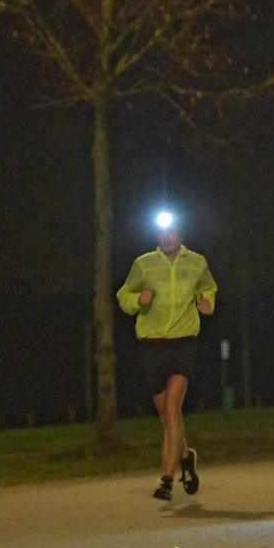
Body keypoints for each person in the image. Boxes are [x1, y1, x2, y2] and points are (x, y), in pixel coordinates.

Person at [117, 214, 217, 501]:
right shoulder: (144, 264)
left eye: (171, 232)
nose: (166, 237)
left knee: (173, 408)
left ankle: (166, 480)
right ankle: (186, 459)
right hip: (151, 346)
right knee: (166, 416)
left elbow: (208, 286)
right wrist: (137, 301)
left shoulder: (196, 262)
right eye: (161, 233)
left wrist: (207, 301)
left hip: (183, 344)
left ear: (181, 235)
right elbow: (124, 295)